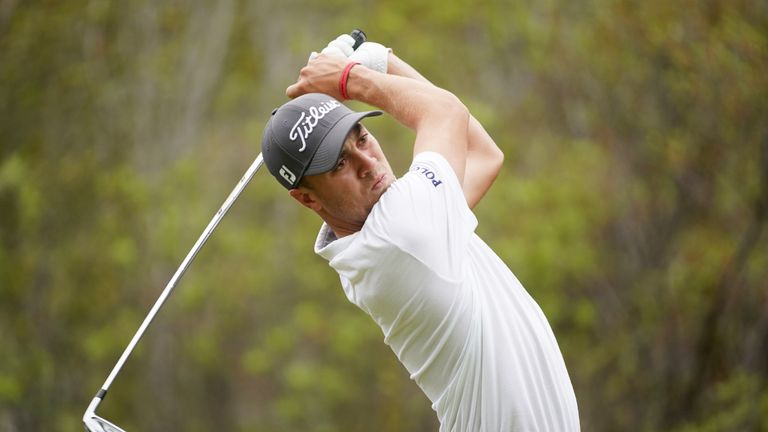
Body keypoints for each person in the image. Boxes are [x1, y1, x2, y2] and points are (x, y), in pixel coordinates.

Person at [261, 34, 580, 431]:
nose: (367, 161)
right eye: (339, 163)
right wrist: (350, 78)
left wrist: (378, 59)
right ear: (308, 200)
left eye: (361, 137)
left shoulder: (407, 221)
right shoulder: (399, 233)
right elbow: (445, 111)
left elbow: (482, 154)